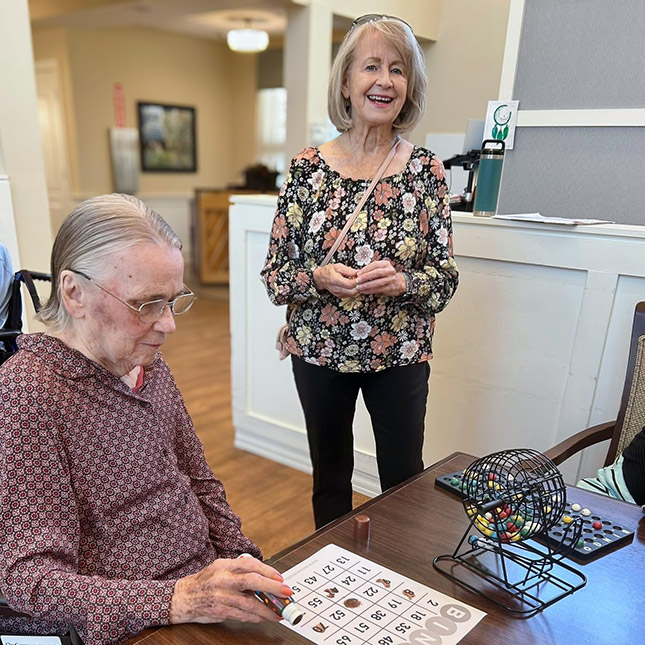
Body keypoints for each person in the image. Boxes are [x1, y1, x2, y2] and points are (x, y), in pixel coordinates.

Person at [0, 194, 289, 645]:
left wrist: (240, 557)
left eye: (173, 300)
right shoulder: (29, 390)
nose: (168, 324)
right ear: (73, 293)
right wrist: (175, 600)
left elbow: (199, 480)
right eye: (145, 304)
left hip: (202, 591)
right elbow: (29, 579)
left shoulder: (145, 362)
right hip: (137, 625)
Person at [261, 15, 459, 529]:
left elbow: (445, 278)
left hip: (400, 352)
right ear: (346, 82)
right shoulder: (307, 168)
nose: (384, 81)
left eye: (397, 69)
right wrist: (319, 278)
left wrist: (403, 282)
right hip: (319, 349)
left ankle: (402, 585)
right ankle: (330, 576)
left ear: (409, 86)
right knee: (330, 475)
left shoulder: (427, 170)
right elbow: (275, 275)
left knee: (403, 478)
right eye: (371, 66)